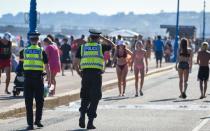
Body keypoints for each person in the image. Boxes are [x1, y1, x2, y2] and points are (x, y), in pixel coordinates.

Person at [74, 29, 114, 129]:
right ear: (98, 38)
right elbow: (113, 45)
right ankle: (90, 122)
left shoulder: (82, 47)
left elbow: (75, 64)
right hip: (96, 75)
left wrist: (80, 74)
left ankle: (82, 115)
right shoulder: (101, 46)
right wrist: (104, 38)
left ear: (90, 37)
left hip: (85, 75)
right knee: (95, 98)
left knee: (85, 97)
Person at [22, 32, 51, 130]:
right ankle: (38, 121)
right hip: (38, 80)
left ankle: (30, 124)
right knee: (39, 101)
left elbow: (23, 65)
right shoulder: (41, 51)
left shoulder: (25, 51)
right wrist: (49, 79)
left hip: (27, 80)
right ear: (38, 40)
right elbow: (47, 67)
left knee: (28, 102)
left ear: (30, 40)